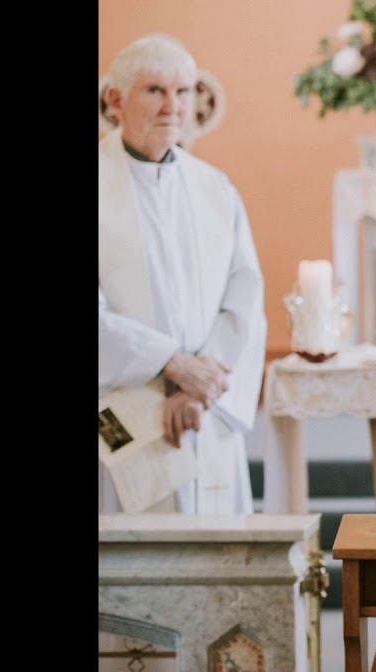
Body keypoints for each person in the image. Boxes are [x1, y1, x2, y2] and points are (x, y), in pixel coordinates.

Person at [98, 33, 267, 515]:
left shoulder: (214, 188)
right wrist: (171, 364)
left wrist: (201, 385)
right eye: (154, 90)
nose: (172, 106)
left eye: (183, 91)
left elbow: (244, 298)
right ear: (117, 100)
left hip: (204, 409)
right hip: (122, 410)